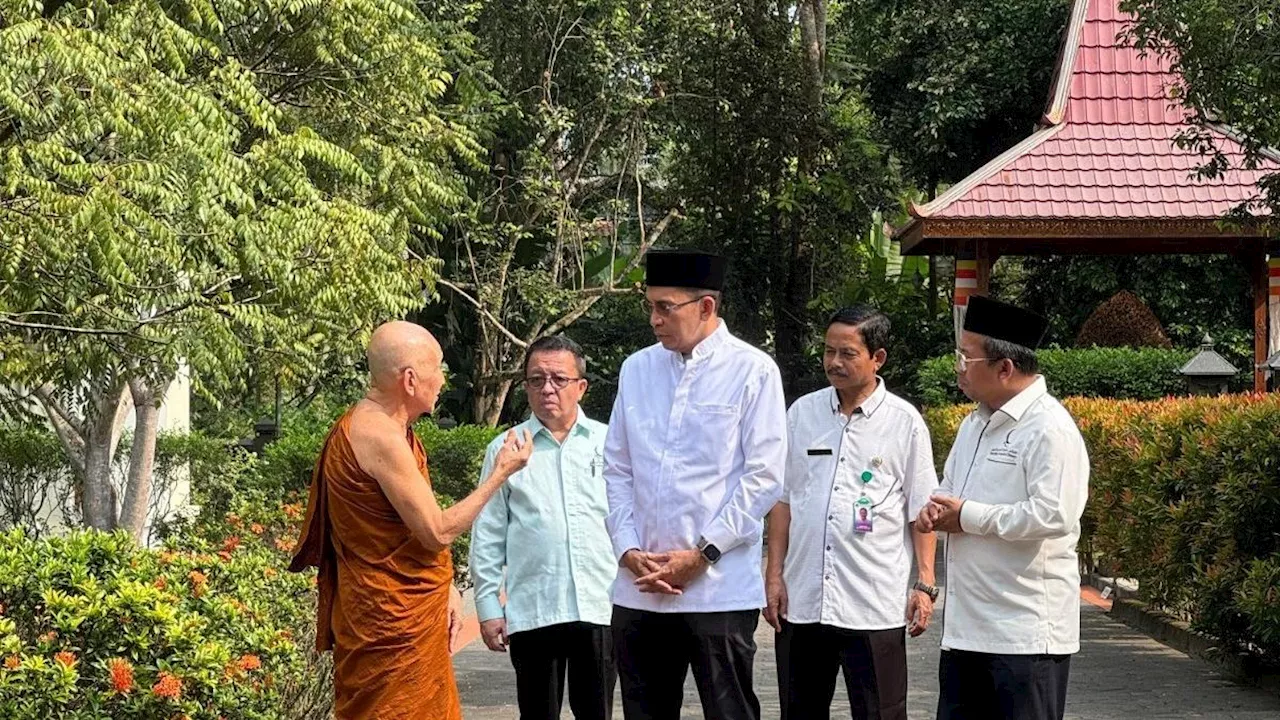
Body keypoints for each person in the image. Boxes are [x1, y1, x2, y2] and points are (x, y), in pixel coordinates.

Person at [289, 321, 533, 719]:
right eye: (437, 368)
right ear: (410, 379)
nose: (442, 379)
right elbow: (437, 531)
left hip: (400, 612)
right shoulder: (379, 435)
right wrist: (501, 473)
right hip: (386, 620)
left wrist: (448, 587)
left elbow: (407, 530)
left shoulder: (384, 428)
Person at [604, 249, 787, 720]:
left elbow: (764, 477)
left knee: (729, 713)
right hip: (640, 586)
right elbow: (618, 468)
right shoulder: (637, 369)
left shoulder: (753, 370)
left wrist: (703, 553)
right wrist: (627, 549)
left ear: (706, 307)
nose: (654, 319)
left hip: (718, 589)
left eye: (666, 307)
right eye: (650, 306)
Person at [917, 295, 1090, 720]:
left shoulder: (1050, 428)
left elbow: (1054, 514)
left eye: (965, 358)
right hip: (965, 631)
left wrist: (968, 516)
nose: (957, 368)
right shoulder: (973, 422)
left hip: (1024, 636)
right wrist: (935, 512)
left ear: (1005, 368)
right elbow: (950, 491)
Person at [764, 306, 939, 720]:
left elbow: (922, 511)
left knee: (880, 712)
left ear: (877, 358)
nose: (834, 363)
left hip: (872, 603)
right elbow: (783, 500)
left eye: (847, 353)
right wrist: (774, 575)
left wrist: (925, 583)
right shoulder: (802, 414)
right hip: (804, 600)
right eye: (828, 352)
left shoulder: (904, 422)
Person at [469, 335, 617, 720]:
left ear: (581, 387)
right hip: (535, 608)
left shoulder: (611, 443)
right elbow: (488, 532)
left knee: (597, 712)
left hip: (601, 604)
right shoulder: (506, 448)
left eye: (558, 379)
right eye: (536, 379)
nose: (547, 388)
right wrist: (487, 605)